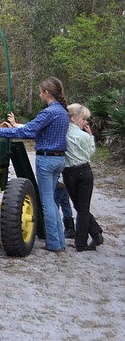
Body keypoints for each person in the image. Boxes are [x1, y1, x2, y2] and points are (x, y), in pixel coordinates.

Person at [0, 77, 70, 252]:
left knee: (47, 202)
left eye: (40, 91)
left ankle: (54, 243)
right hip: (59, 159)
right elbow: (37, 133)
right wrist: (13, 126)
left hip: (47, 159)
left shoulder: (49, 113)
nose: (39, 94)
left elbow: (28, 131)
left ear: (46, 92)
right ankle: (59, 241)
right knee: (52, 201)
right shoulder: (63, 112)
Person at [62, 103, 104, 252]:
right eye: (84, 119)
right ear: (75, 118)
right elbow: (90, 153)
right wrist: (90, 136)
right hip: (84, 171)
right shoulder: (84, 136)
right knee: (82, 207)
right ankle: (86, 240)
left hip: (69, 172)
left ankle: (90, 236)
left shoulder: (63, 132)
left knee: (79, 207)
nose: (85, 122)